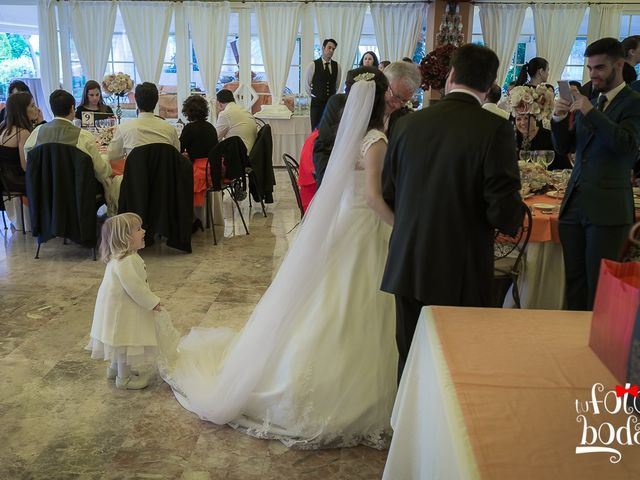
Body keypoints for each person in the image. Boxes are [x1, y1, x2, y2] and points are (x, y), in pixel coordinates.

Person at [160, 68, 398, 449]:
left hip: (341, 222)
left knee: (329, 303)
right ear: (378, 100)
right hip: (364, 226)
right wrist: (400, 225)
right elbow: (373, 197)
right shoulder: (376, 140)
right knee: (353, 304)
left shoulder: (344, 135)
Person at [381, 44, 523, 383]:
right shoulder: (494, 129)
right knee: (456, 357)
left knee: (410, 352)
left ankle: (406, 429)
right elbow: (503, 210)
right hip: (462, 266)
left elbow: (389, 192)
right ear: (490, 86)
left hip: (409, 259)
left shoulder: (406, 125)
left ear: (451, 75)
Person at [551, 37, 640, 311]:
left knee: (598, 287)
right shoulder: (590, 102)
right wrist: (557, 119)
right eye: (590, 68)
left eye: (600, 68)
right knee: (574, 282)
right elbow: (564, 148)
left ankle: (597, 348)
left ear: (619, 65)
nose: (593, 74)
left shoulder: (634, 102)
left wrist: (591, 113)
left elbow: (627, 145)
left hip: (608, 210)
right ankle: (571, 344)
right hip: (574, 204)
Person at [313, 61, 420, 186]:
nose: (397, 105)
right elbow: (322, 149)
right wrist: (328, 187)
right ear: (383, 83)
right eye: (395, 96)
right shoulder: (339, 104)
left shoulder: (402, 118)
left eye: (404, 101)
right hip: (338, 186)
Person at [87, 213, 162, 390]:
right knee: (123, 342)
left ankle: (114, 369)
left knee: (117, 341)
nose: (143, 231)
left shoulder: (118, 258)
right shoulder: (127, 262)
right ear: (125, 237)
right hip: (121, 312)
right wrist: (153, 302)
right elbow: (136, 288)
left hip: (114, 309)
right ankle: (124, 378)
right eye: (138, 229)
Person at [23, 89, 118, 213]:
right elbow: (101, 170)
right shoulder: (83, 136)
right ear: (72, 108)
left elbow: (29, 159)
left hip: (46, 189)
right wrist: (107, 160)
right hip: (78, 192)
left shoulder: (37, 132)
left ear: (52, 109)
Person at [107, 82, 180, 160]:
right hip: (164, 171)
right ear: (157, 99)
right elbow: (176, 153)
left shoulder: (124, 128)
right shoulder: (169, 129)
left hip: (136, 171)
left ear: (135, 99)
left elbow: (112, 156)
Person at [179, 94, 218, 231]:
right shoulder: (211, 127)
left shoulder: (189, 129)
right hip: (214, 169)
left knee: (176, 180)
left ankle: (189, 219)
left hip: (199, 172)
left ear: (187, 112)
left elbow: (179, 149)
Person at [0, 92, 41, 194]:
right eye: (32, 105)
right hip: (13, 180)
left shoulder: (3, 126)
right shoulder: (22, 133)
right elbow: (26, 167)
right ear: (22, 110)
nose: (37, 108)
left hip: (3, 178)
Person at [304, 38, 340, 130]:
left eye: (333, 49)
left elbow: (337, 84)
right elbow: (307, 86)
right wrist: (315, 96)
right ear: (323, 48)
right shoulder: (313, 65)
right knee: (316, 131)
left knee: (330, 130)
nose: (331, 50)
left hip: (330, 105)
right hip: (316, 105)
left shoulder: (337, 66)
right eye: (329, 48)